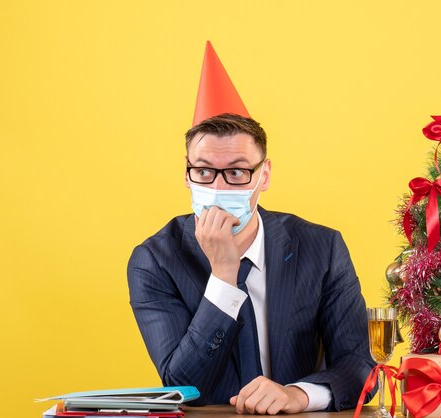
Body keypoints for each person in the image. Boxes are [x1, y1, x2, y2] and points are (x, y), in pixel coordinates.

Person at [127, 113, 375, 414]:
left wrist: (298, 395)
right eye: (204, 171)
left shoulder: (322, 248)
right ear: (186, 173)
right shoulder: (155, 260)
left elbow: (360, 366)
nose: (219, 188)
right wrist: (223, 276)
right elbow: (183, 385)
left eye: (237, 172)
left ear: (264, 175)